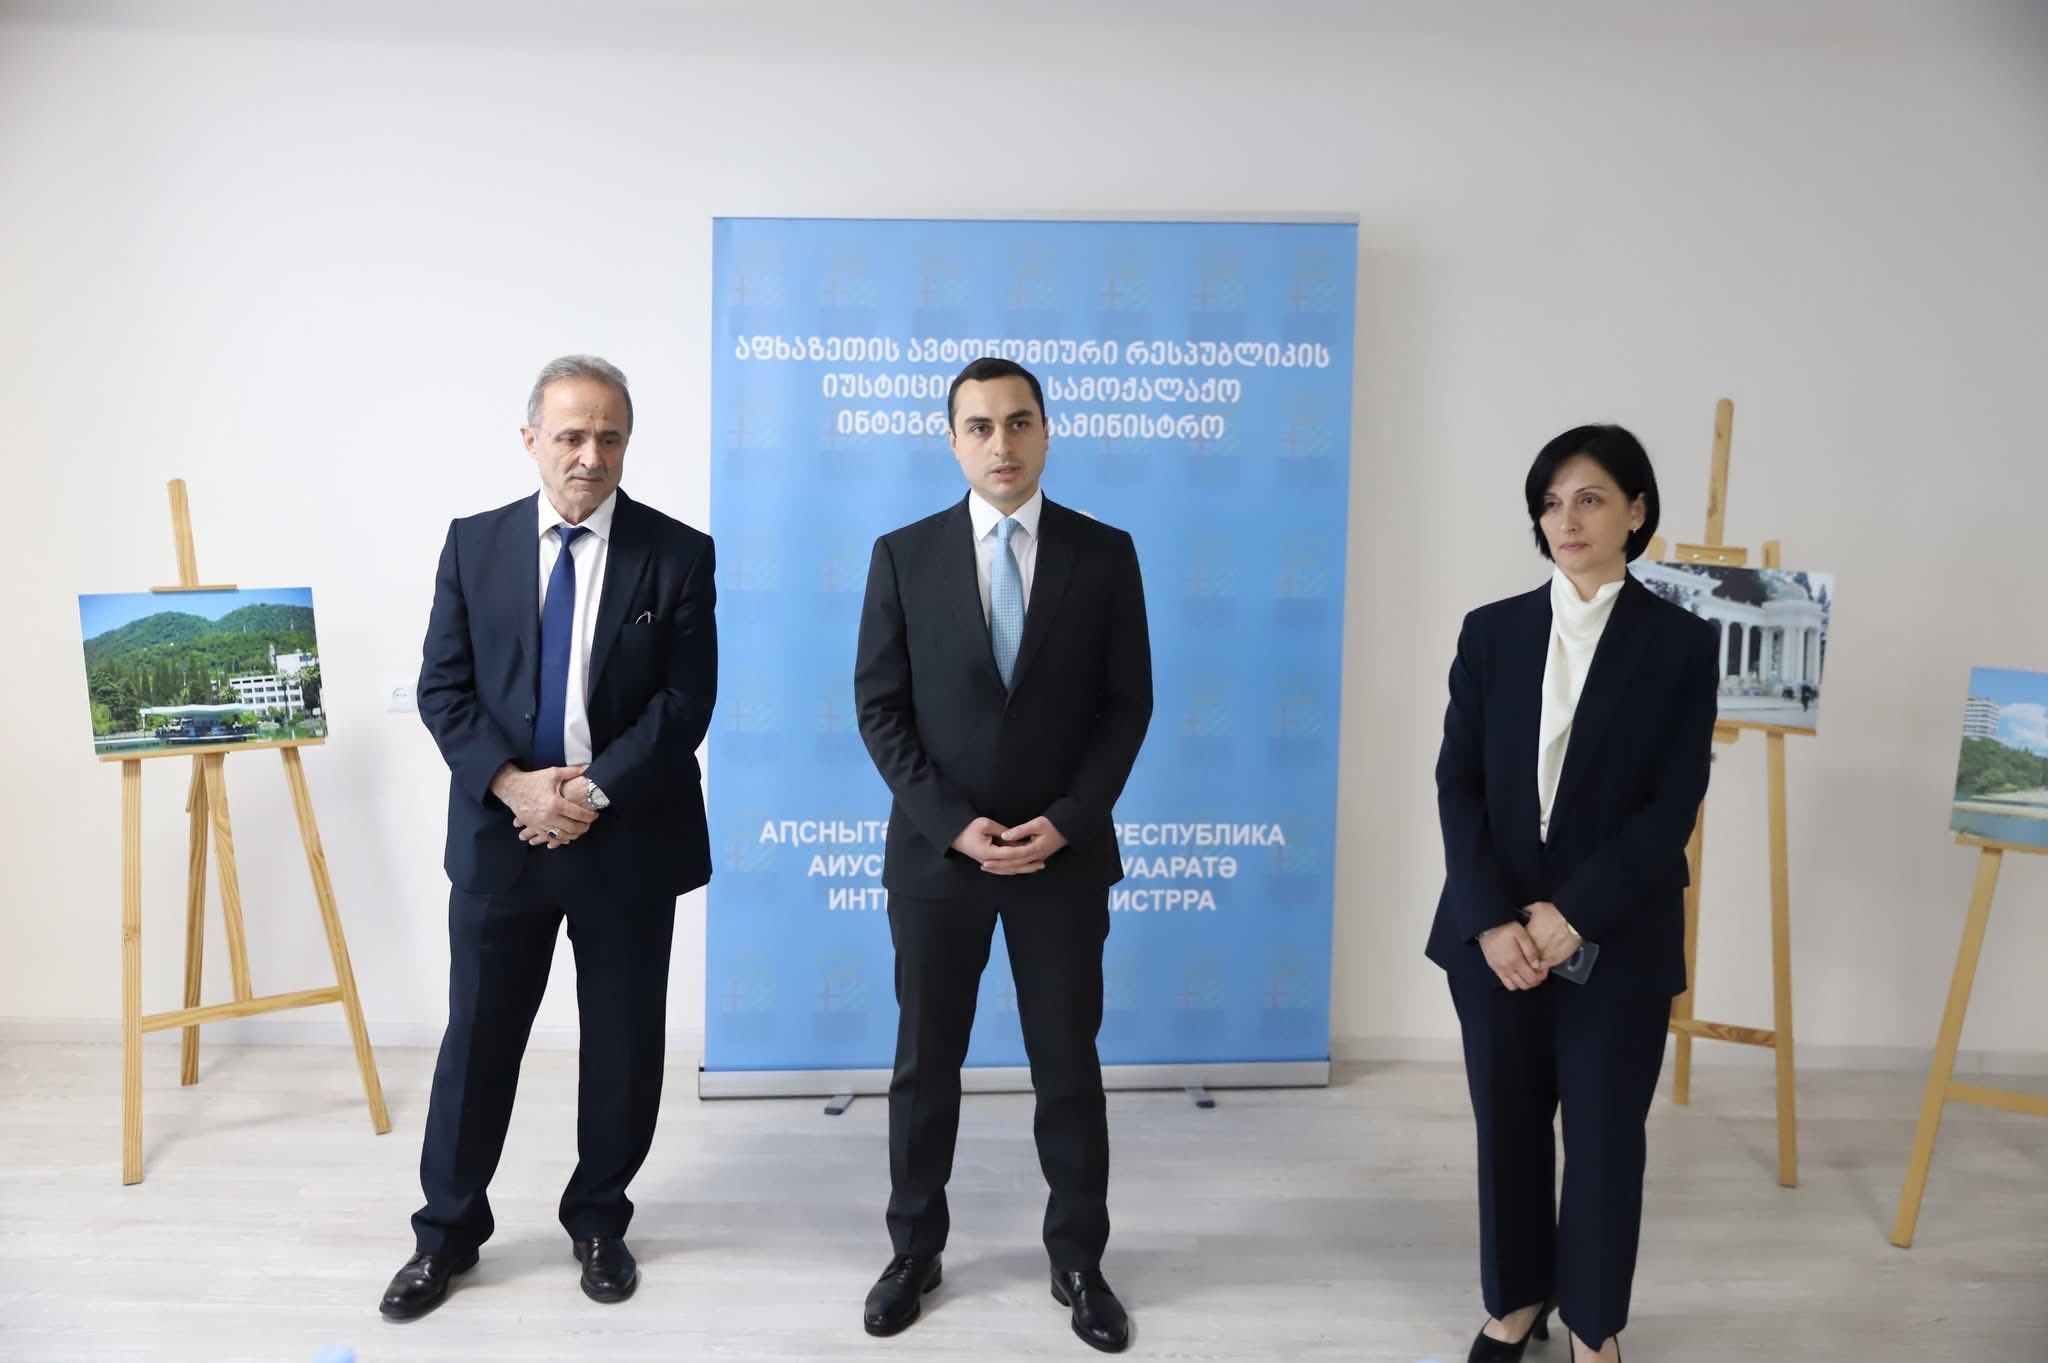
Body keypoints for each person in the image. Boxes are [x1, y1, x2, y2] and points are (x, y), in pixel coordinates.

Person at [379, 355, 717, 1321]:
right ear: (530, 439)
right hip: (503, 834)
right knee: (478, 1041)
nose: (589, 455)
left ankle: (600, 1220)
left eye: (609, 436)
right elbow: (444, 687)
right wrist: (516, 786)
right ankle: (445, 1233)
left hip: (626, 837)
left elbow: (684, 702)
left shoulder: (678, 554)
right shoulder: (473, 544)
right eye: (570, 435)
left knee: (622, 1043)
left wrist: (590, 792)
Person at [852, 357, 1152, 1353]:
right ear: (952, 441)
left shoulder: (1104, 555)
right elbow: (880, 709)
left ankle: (1079, 1260)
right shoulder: (902, 555)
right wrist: (952, 823)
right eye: (978, 426)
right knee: (923, 1065)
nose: (1001, 442)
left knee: (1066, 1064)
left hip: (1061, 857)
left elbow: (1126, 706)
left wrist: (1067, 819)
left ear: (1046, 431)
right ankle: (912, 1251)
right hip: (939, 859)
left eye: (1019, 422)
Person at [1427, 425, 1717, 1362]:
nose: (1567, 518)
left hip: (1616, 933)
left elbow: (1671, 804)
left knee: (1603, 1139)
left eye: (1589, 497)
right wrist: (1488, 920)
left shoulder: (1681, 643)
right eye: (1550, 503)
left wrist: (1574, 913)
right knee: (1508, 1128)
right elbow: (1459, 784)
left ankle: (1594, 1325)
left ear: (1637, 511)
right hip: (1494, 936)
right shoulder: (1491, 631)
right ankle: (1515, 1302)